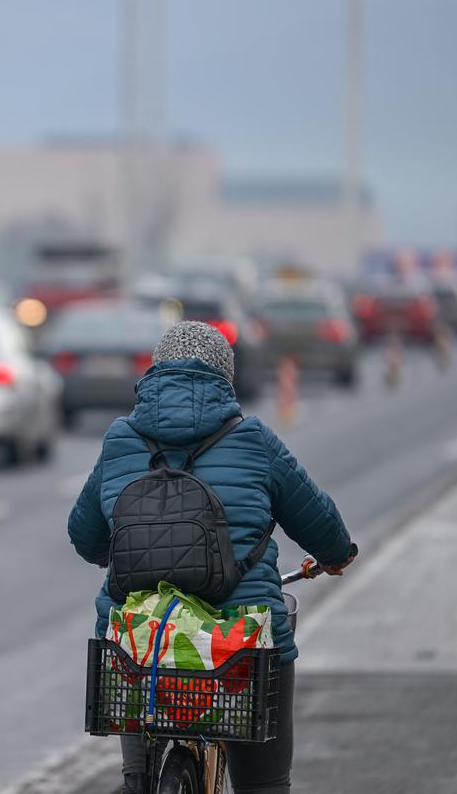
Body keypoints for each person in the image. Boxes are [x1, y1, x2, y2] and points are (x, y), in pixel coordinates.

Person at [67, 320, 356, 794]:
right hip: (237, 643)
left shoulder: (121, 438)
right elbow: (319, 523)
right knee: (264, 783)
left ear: (154, 371)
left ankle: (139, 778)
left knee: (133, 671)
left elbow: (85, 536)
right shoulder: (254, 440)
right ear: (226, 378)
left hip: (141, 645)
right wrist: (336, 554)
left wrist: (119, 548)